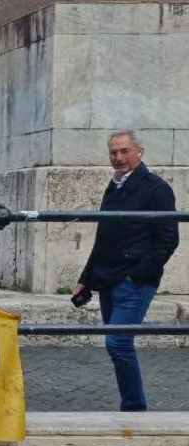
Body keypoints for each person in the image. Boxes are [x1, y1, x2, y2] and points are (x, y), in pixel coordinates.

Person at [74, 130, 180, 412]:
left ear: (139, 152)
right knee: (118, 345)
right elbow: (104, 236)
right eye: (113, 152)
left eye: (124, 151)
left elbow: (169, 239)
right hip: (108, 279)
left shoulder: (156, 188)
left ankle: (135, 409)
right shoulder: (114, 186)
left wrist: (137, 275)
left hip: (133, 282)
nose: (118, 157)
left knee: (118, 343)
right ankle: (131, 405)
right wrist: (86, 279)